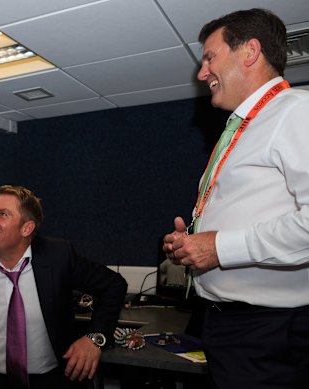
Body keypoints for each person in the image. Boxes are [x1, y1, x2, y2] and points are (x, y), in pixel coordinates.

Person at [162, 9, 309, 389]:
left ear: (250, 52)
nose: (201, 73)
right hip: (229, 325)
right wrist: (192, 244)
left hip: (268, 330)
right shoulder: (244, 129)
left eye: (210, 57)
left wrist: (219, 248)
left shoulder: (296, 112)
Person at [0, 185, 127, 389]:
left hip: (54, 379)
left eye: (3, 214)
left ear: (26, 228)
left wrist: (94, 338)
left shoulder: (58, 256)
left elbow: (113, 285)